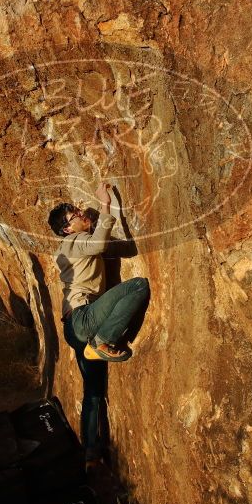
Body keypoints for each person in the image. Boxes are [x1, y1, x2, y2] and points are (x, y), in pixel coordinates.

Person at [47, 182, 150, 463]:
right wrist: (104, 205)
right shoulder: (70, 243)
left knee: (93, 392)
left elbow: (120, 248)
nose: (81, 214)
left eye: (79, 211)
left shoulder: (73, 245)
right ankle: (103, 341)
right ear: (67, 229)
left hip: (76, 328)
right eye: (75, 215)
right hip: (84, 319)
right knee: (138, 286)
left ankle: (90, 452)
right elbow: (98, 244)